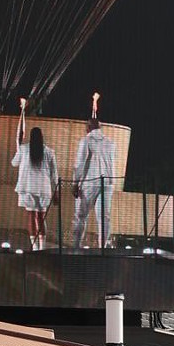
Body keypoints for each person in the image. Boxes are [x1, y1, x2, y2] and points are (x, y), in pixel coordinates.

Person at [11, 98, 60, 251]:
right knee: (41, 216)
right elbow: (54, 174)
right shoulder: (49, 152)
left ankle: (34, 247)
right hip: (44, 190)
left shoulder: (24, 150)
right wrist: (57, 192)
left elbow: (15, 160)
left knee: (31, 216)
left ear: (31, 138)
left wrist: (22, 111)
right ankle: (42, 247)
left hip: (28, 188)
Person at [71, 92, 117, 250]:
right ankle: (102, 247)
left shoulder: (86, 141)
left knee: (80, 215)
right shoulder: (111, 143)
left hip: (90, 183)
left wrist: (75, 183)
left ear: (88, 127)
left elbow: (80, 164)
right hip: (108, 184)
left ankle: (76, 245)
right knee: (104, 217)